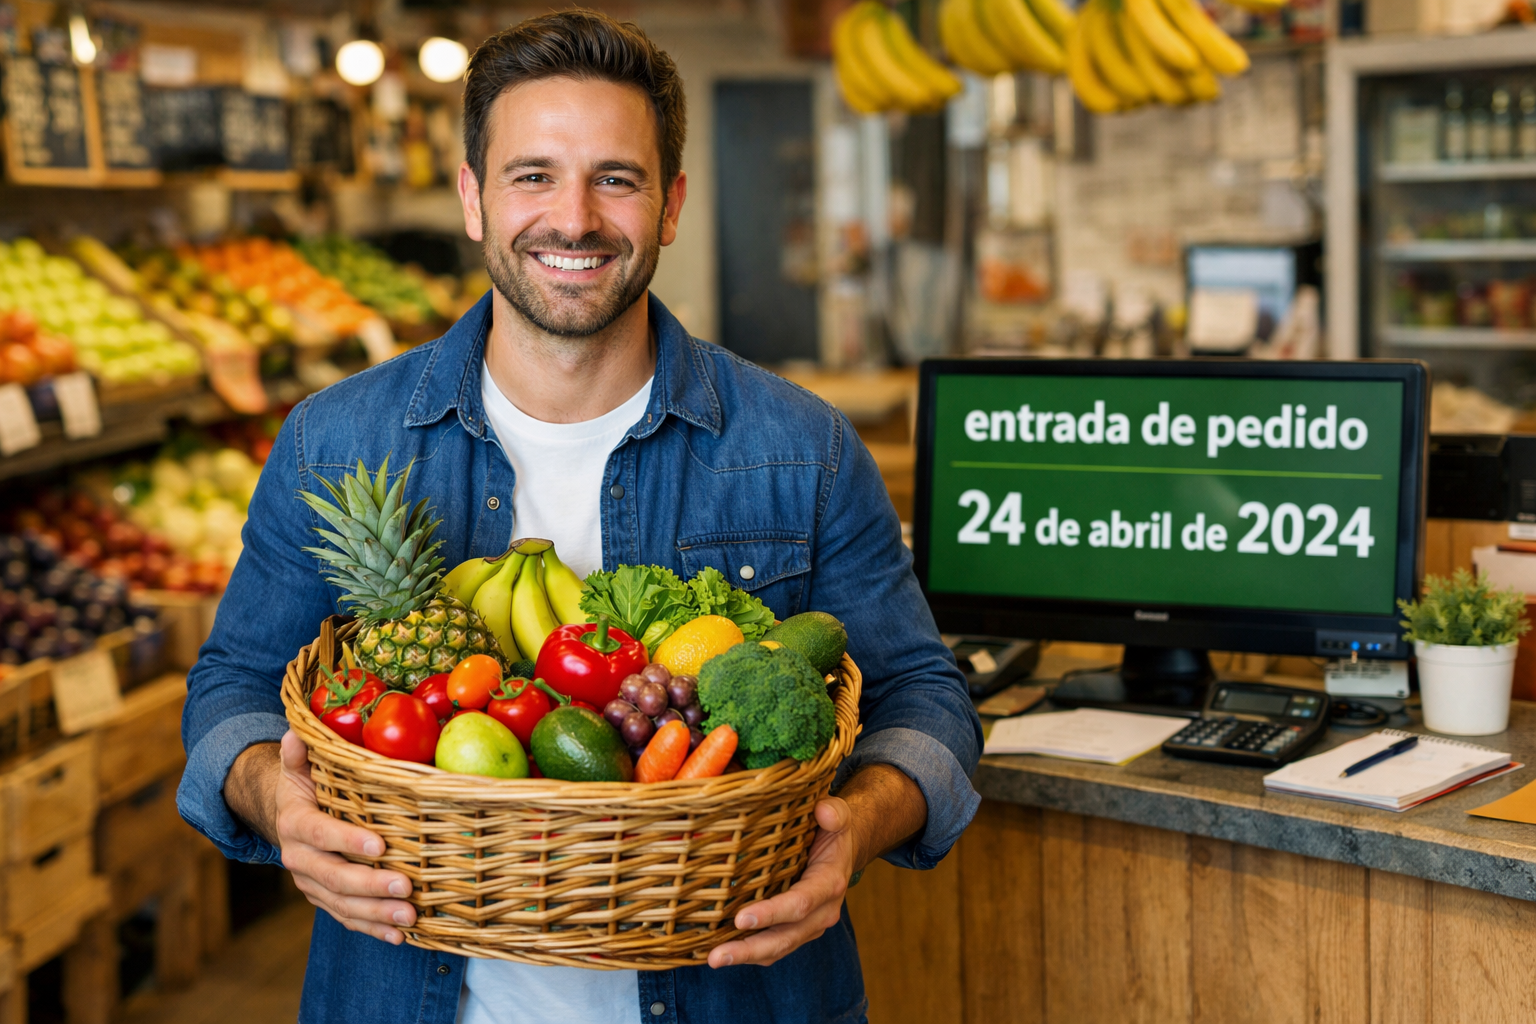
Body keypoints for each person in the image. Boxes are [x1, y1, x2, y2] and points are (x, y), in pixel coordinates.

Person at [177, 10, 981, 1023]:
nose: (575, 219)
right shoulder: (334, 442)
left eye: (616, 178)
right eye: (533, 175)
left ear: (670, 204)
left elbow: (925, 698)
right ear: (472, 197)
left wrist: (855, 830)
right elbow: (231, 689)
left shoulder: (803, 448)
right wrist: (277, 802)